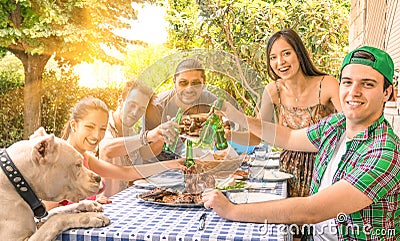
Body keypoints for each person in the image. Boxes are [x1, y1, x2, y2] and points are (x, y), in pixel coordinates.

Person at [203, 46, 399, 240]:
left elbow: (312, 211)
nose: (353, 92)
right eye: (347, 82)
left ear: (387, 93)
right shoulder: (337, 125)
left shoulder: (385, 152)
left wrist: (232, 211)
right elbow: (288, 137)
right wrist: (235, 115)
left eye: (367, 84)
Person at [45, 96, 181, 209]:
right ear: (74, 125)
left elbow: (127, 173)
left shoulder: (85, 158)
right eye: (89, 127)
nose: (96, 135)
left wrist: (174, 164)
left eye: (102, 129)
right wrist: (83, 207)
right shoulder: (57, 160)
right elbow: (46, 215)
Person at [260, 29, 342, 198]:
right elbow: (258, 135)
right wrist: (228, 133)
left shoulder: (327, 85)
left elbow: (350, 125)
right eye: (273, 57)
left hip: (325, 169)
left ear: (299, 53)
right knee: (289, 222)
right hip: (287, 174)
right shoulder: (273, 91)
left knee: (323, 222)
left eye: (286, 53)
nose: (280, 62)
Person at [98, 81, 179, 197]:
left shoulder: (130, 131)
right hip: (104, 203)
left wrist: (161, 138)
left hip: (126, 199)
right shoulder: (102, 124)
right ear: (120, 101)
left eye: (141, 109)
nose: (135, 112)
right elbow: (107, 149)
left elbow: (142, 154)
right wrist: (147, 136)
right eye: (132, 105)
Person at [144, 58, 217, 160]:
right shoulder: (156, 108)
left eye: (196, 83)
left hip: (200, 161)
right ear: (174, 81)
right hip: (162, 166)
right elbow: (144, 154)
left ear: (204, 83)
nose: (189, 89)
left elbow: (224, 135)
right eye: (183, 83)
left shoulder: (210, 101)